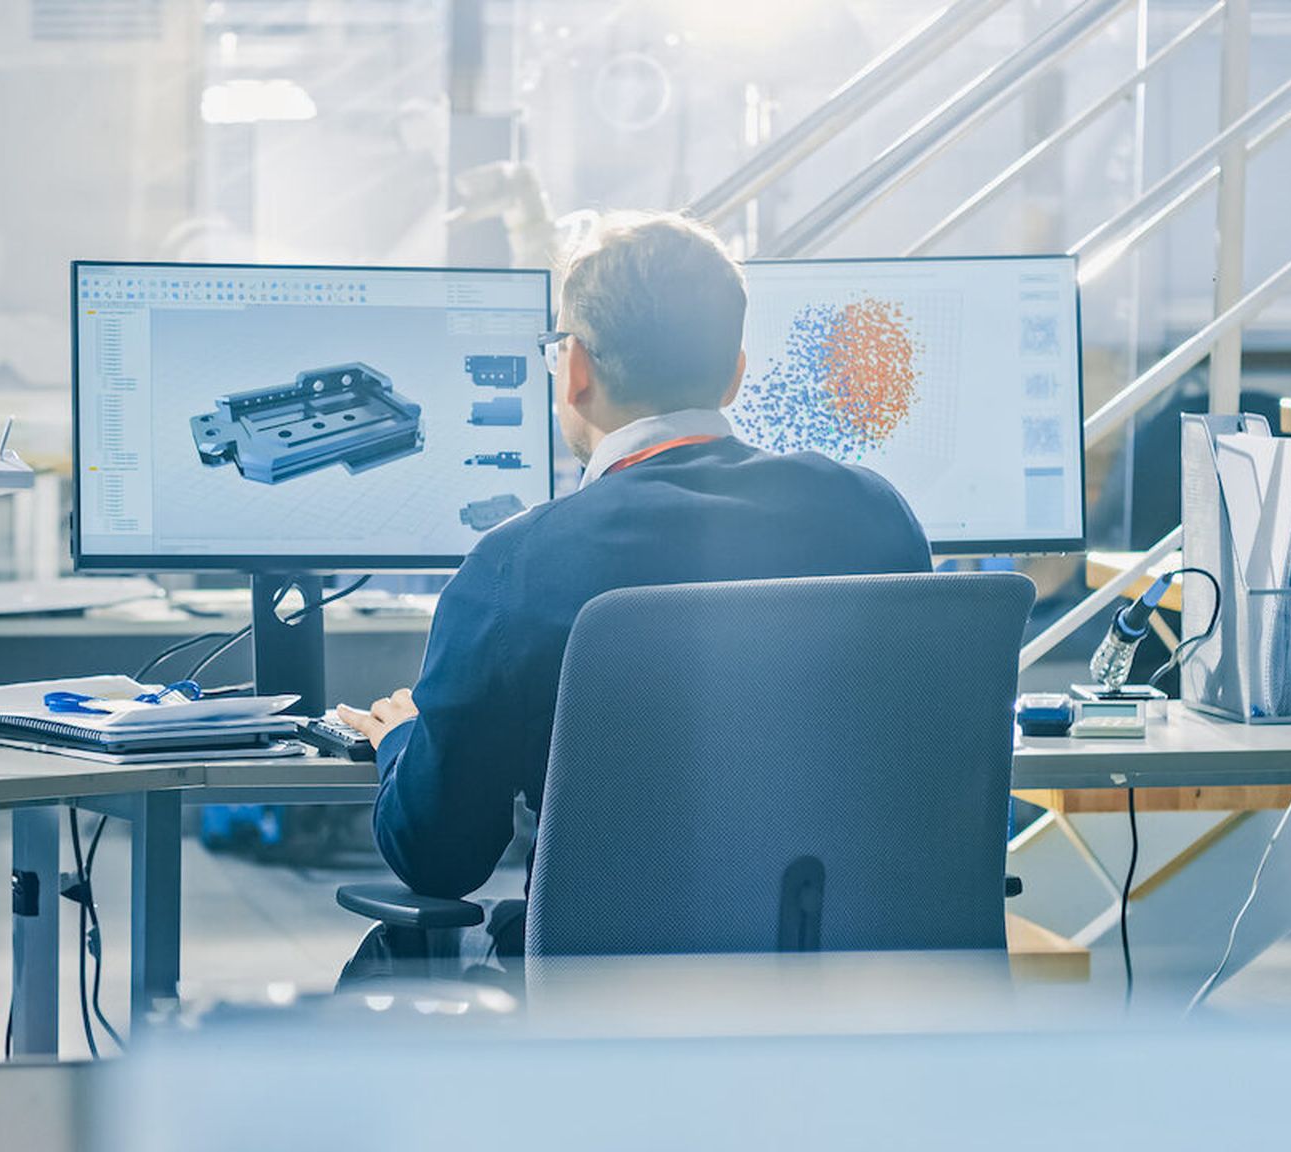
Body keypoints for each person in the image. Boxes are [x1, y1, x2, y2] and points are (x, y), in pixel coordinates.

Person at [334, 211, 934, 987]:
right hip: (860, 992)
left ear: (575, 369)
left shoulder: (516, 565)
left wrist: (400, 745)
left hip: (606, 1008)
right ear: (736, 373)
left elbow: (441, 857)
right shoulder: (875, 519)